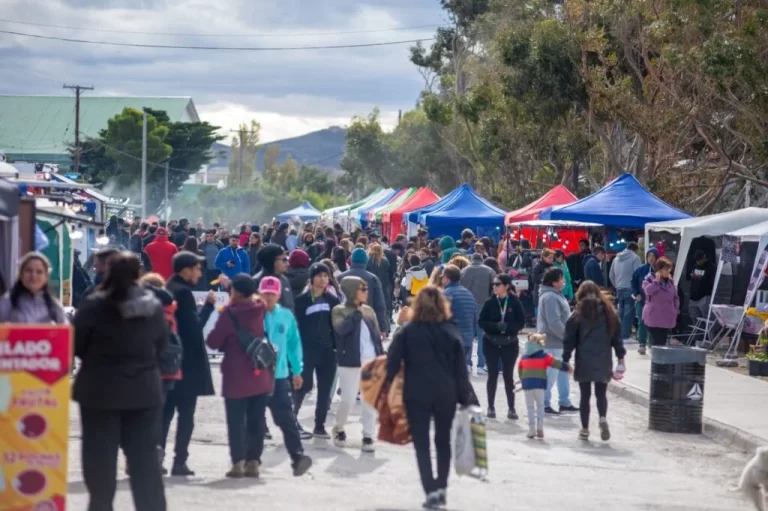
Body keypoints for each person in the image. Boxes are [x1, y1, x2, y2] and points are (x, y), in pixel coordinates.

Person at [73, 252, 168, 511]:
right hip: (144, 392)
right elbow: (161, 346)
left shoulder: (93, 305)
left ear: (108, 272)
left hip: (99, 392)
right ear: (138, 274)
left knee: (100, 463)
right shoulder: (153, 306)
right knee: (145, 465)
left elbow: (77, 345)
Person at [385, 286, 474, 509]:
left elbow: (392, 364)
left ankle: (430, 491)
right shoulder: (451, 331)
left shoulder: (407, 331)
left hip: (417, 393)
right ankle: (441, 488)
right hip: (446, 393)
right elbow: (460, 370)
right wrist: (466, 397)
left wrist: (386, 391)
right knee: (443, 441)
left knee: (422, 444)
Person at [205, 274, 274, 478]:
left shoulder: (229, 313)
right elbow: (252, 298)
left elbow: (212, 342)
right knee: (256, 420)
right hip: (259, 372)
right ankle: (253, 462)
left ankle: (238, 462)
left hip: (235, 375)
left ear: (235, 292)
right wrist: (232, 287)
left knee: (236, 422)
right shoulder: (260, 308)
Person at [162, 252, 217, 476]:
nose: (200, 273)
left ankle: (157, 457)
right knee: (185, 415)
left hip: (169, 362)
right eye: (196, 268)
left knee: (165, 414)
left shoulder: (168, 288)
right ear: (185, 270)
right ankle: (179, 461)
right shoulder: (184, 293)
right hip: (186, 363)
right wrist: (209, 306)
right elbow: (194, 329)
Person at [258, 276, 313, 475]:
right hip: (256, 376)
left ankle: (298, 457)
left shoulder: (286, 316)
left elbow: (293, 345)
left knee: (287, 419)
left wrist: (297, 371)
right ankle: (252, 460)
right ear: (260, 293)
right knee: (255, 420)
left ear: (279, 294)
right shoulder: (253, 314)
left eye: (273, 293)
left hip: (280, 376)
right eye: (266, 293)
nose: (269, 297)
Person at [562, 281, 626, 441]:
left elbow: (569, 340)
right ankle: (602, 417)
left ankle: (584, 429)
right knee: (601, 394)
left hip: (583, 359)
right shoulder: (610, 313)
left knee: (585, 396)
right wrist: (621, 359)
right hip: (604, 359)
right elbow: (617, 339)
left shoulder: (577, 314)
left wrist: (565, 359)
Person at [331, 276, 383, 452]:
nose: (366, 293)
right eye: (363, 289)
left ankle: (368, 435)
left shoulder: (369, 311)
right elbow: (341, 329)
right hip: (349, 361)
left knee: (370, 400)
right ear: (352, 291)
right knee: (347, 400)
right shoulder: (339, 310)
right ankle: (339, 427)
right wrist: (356, 314)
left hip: (370, 360)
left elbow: (376, 336)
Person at [293, 263, 341, 440]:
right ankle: (292, 419)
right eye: (319, 276)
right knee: (303, 386)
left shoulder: (333, 301)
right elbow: (295, 327)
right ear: (311, 278)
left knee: (325, 389)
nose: (322, 279)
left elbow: (337, 326)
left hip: (328, 351)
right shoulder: (301, 301)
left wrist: (337, 347)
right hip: (306, 350)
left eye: (325, 276)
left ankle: (319, 426)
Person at [478, 274, 525, 419]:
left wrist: (508, 327)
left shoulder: (515, 302)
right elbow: (481, 322)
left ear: (506, 286)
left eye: (497, 284)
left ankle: (511, 408)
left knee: (508, 376)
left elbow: (521, 322)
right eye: (493, 284)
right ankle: (490, 407)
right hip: (491, 342)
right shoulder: (489, 302)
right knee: (492, 375)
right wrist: (496, 326)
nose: (494, 287)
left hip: (509, 342)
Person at [537, 267, 578, 414]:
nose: (564, 281)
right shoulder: (550, 297)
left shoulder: (554, 295)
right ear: (554, 282)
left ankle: (564, 401)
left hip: (557, 341)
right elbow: (554, 322)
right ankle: (544, 403)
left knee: (562, 372)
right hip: (552, 341)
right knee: (550, 373)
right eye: (561, 279)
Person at [518, 333, 570, 439]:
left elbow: (520, 371)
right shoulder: (544, 356)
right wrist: (567, 367)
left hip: (527, 385)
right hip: (539, 385)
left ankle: (531, 429)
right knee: (540, 406)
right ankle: (540, 428)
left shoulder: (524, 357)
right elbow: (556, 363)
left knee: (530, 408)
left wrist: (523, 380)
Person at [0, 252, 68, 323]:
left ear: (46, 277)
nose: (33, 276)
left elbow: (66, 332)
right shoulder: (6, 303)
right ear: (20, 274)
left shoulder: (55, 307)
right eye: (29, 271)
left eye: (39, 272)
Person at [339, 248, 390, 334]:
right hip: (366, 321)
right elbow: (379, 305)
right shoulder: (373, 278)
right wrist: (382, 328)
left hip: (344, 321)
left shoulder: (341, 277)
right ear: (366, 261)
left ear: (351, 260)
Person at [461, 253, 496, 374]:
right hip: (484, 305)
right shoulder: (489, 271)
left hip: (467, 305)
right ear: (482, 260)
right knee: (483, 335)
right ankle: (482, 365)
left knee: (467, 334)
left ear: (471, 259)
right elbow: (495, 288)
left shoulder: (464, 271)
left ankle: (466, 363)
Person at [441, 264, 478, 372]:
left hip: (451, 340)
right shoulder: (469, 294)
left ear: (447, 278)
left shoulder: (446, 294)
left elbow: (441, 318)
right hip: (467, 340)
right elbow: (474, 319)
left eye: (442, 277)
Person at [642, 257, 680, 347]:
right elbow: (648, 291)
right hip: (653, 317)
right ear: (659, 270)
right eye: (666, 269)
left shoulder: (670, 282)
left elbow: (675, 297)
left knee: (662, 342)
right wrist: (656, 281)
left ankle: (659, 360)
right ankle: (657, 360)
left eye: (669, 269)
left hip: (666, 318)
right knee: (658, 342)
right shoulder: (649, 280)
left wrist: (675, 310)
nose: (668, 271)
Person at [609, 241, 641, 343]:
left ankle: (619, 335)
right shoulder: (635, 258)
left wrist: (617, 285)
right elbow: (638, 275)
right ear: (635, 249)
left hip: (619, 288)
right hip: (630, 288)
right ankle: (625, 336)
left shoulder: (616, 258)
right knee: (629, 313)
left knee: (621, 313)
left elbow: (611, 275)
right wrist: (637, 289)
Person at [631, 248, 658, 354]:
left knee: (654, 323)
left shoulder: (659, 270)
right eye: (649, 255)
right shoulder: (640, 269)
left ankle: (652, 343)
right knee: (642, 322)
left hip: (655, 303)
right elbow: (633, 282)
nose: (651, 258)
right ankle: (642, 343)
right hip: (642, 301)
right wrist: (636, 294)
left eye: (653, 256)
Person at [254, 244, 294, 310]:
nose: (287, 264)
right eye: (284, 260)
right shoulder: (257, 282)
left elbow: (290, 308)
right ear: (271, 261)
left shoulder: (284, 280)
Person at [689, 250, 716, 327]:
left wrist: (701, 278)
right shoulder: (695, 266)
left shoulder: (711, 266)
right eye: (697, 261)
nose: (698, 262)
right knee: (694, 317)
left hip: (705, 295)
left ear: (704, 258)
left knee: (707, 317)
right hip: (693, 296)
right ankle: (697, 336)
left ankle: (708, 336)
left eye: (699, 260)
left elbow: (712, 281)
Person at [366, 243, 392, 312]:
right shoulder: (385, 261)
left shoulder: (367, 260)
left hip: (370, 286)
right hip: (383, 286)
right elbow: (388, 275)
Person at [530, 248, 555, 316]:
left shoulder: (552, 266)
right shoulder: (538, 266)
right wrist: (546, 273)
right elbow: (534, 279)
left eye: (552, 258)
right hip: (539, 293)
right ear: (544, 257)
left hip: (550, 293)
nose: (551, 259)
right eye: (549, 258)